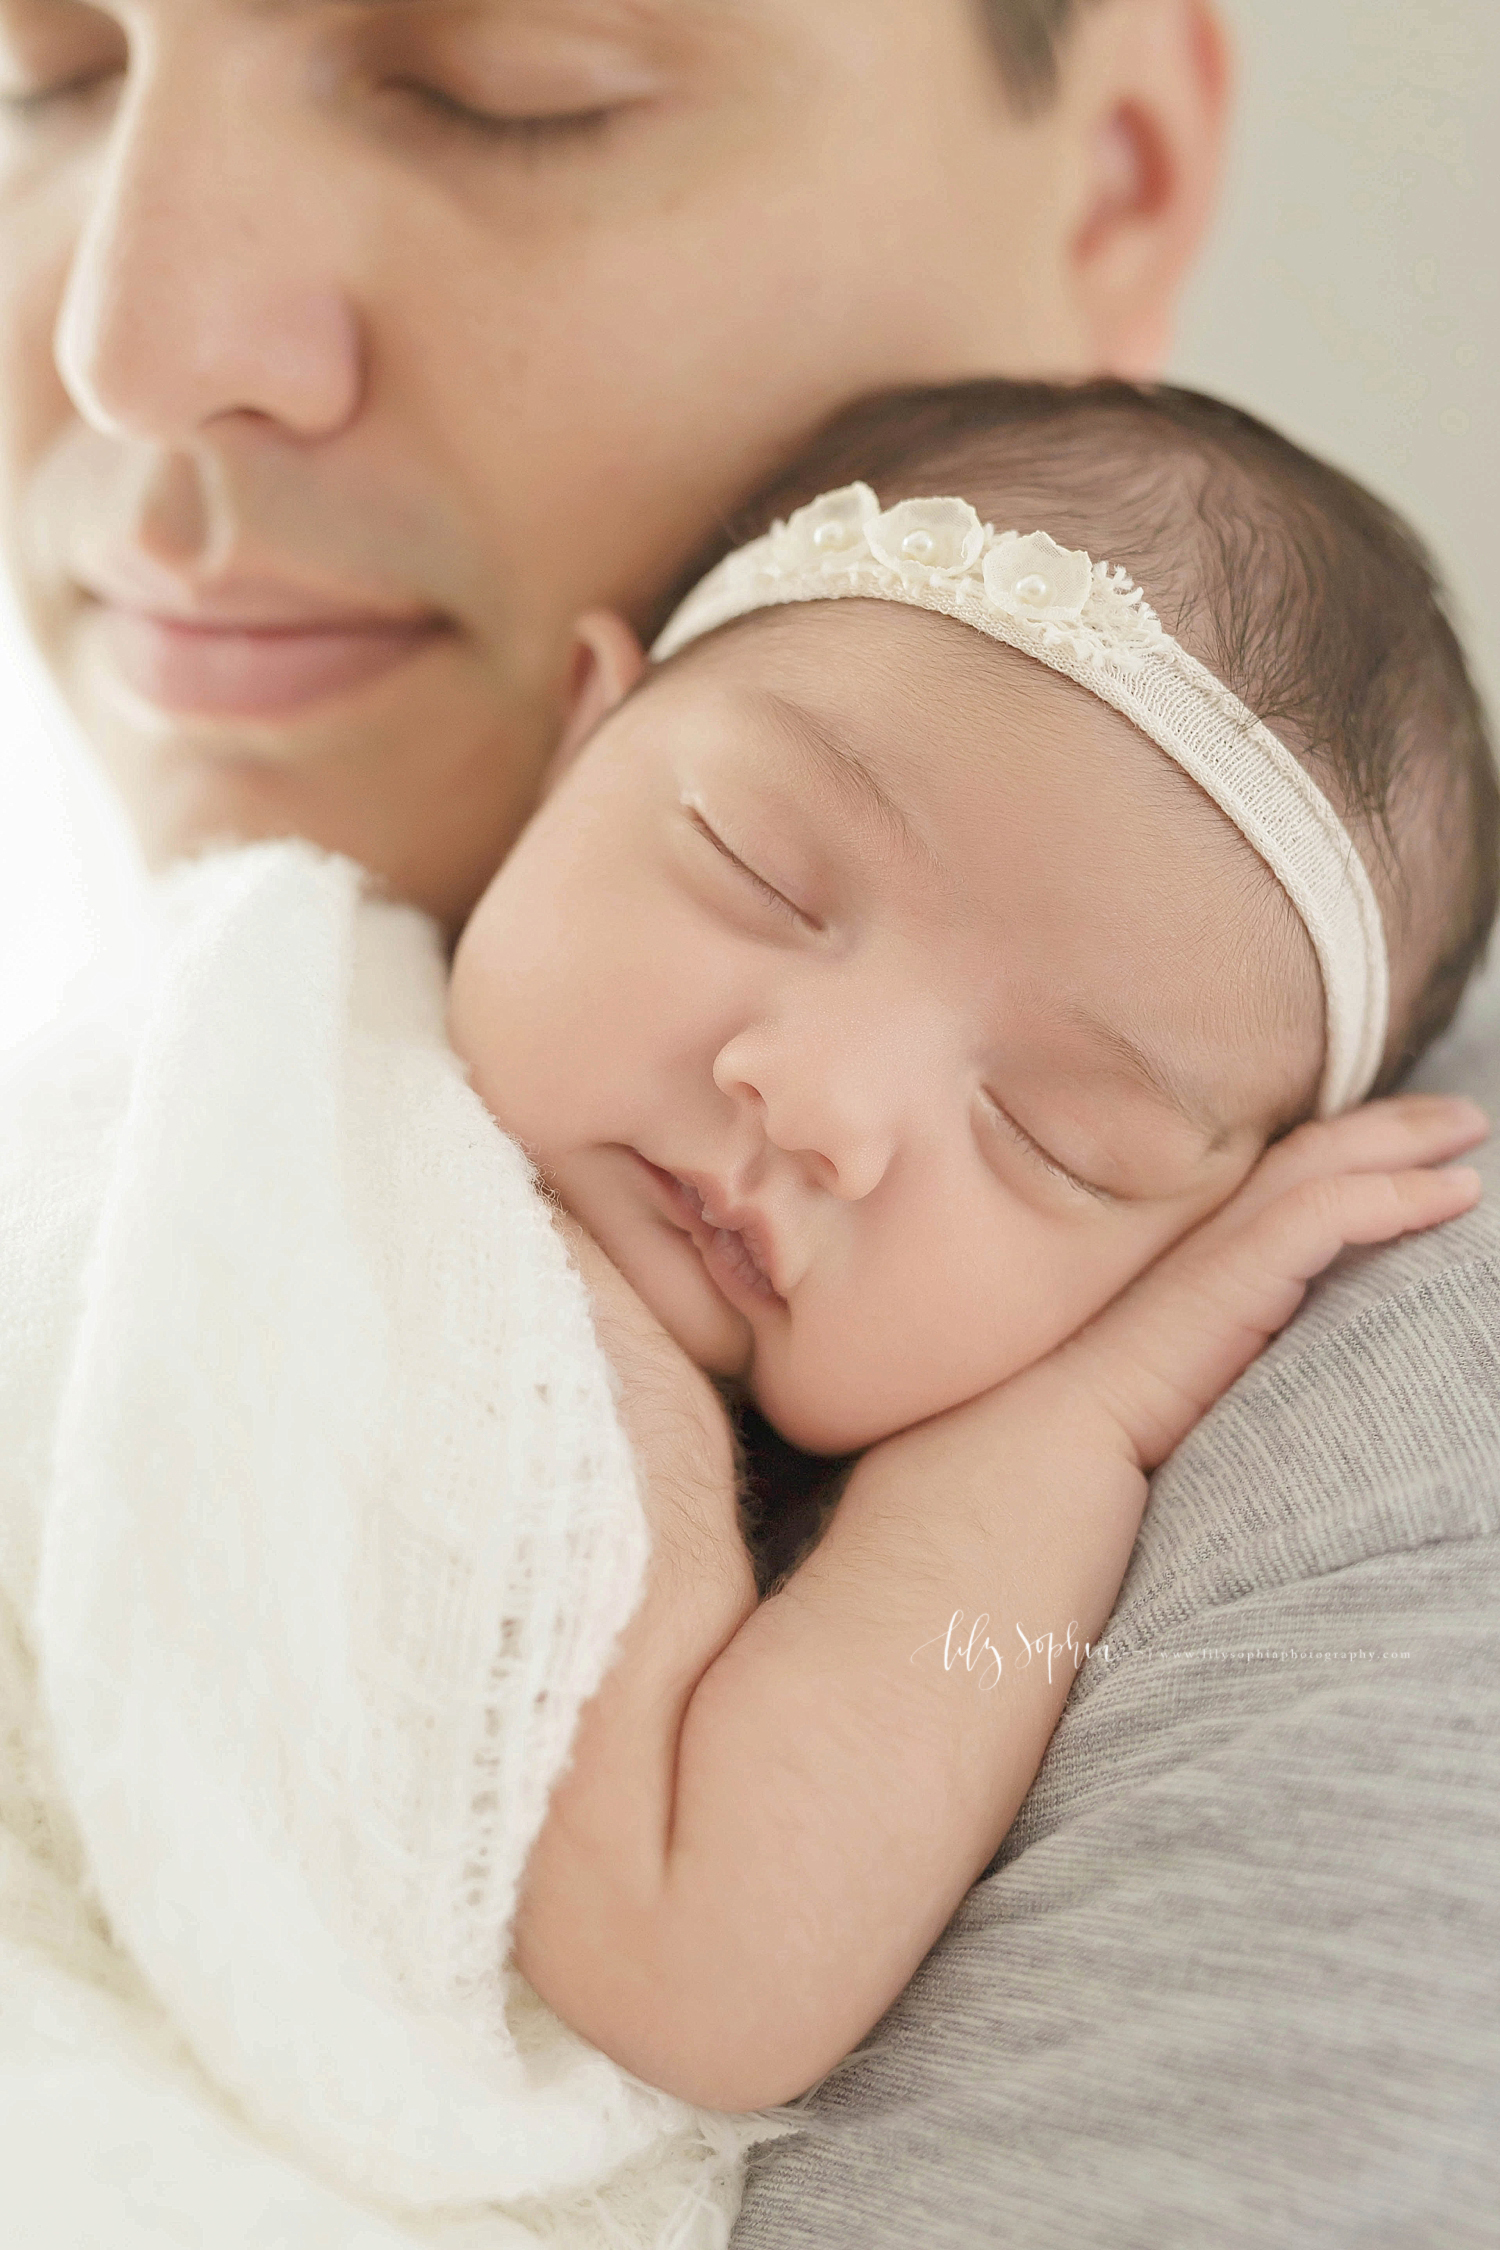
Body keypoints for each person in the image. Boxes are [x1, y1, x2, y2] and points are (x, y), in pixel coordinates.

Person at [1, 2, 1496, 2241]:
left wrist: (1067, 1437)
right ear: (611, 718)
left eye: (1058, 1140)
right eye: (34, 70)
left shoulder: (628, 1402)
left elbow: (712, 1945)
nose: (815, 1104)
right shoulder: (287, 1085)